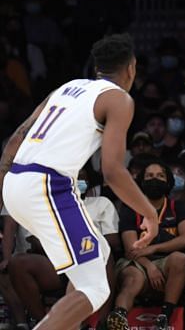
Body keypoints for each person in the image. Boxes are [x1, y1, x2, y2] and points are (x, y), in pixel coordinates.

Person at [0, 33, 158, 330]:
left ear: (96, 67)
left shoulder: (67, 88)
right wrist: (149, 213)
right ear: (131, 68)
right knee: (96, 286)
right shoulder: (119, 99)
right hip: (47, 186)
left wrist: (3, 191)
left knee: (98, 255)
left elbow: (17, 137)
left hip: (17, 181)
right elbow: (112, 171)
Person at [9, 167, 120, 328]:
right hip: (56, 264)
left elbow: (113, 240)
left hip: (90, 261)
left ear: (88, 182)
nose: (78, 180)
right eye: (75, 177)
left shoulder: (101, 203)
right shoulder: (44, 205)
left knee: (104, 252)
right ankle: (45, 323)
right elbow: (34, 240)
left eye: (82, 177)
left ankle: (101, 324)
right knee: (17, 263)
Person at [107, 159, 185, 330]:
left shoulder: (177, 207)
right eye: (149, 176)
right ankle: (119, 318)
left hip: (167, 263)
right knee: (133, 278)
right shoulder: (130, 209)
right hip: (137, 263)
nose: (155, 179)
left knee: (180, 258)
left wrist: (154, 248)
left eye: (160, 176)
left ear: (168, 182)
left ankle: (163, 319)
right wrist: (149, 267)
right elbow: (131, 248)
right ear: (141, 182)